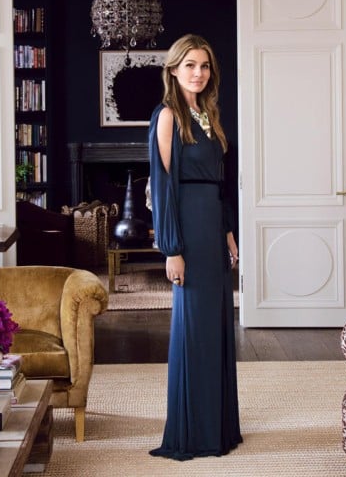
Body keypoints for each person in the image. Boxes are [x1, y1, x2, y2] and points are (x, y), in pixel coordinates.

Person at [147, 33, 242, 461]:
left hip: (212, 227)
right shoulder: (168, 116)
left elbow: (220, 184)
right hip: (186, 228)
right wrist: (171, 247)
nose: (198, 73)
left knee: (217, 326)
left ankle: (219, 428)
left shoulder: (210, 115)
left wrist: (227, 231)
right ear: (173, 69)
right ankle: (193, 432)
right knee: (194, 329)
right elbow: (164, 185)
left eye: (204, 66)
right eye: (190, 65)